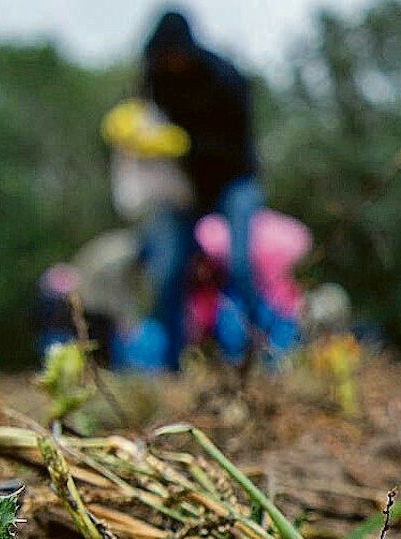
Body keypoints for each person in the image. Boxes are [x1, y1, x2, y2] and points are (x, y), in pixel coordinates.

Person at [129, 9, 283, 371]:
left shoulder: (224, 77)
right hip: (186, 190)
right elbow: (143, 121)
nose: (172, 63)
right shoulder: (155, 81)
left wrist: (189, 144)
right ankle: (172, 366)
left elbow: (240, 140)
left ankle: (261, 355)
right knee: (167, 272)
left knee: (243, 266)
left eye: (175, 54)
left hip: (234, 180)